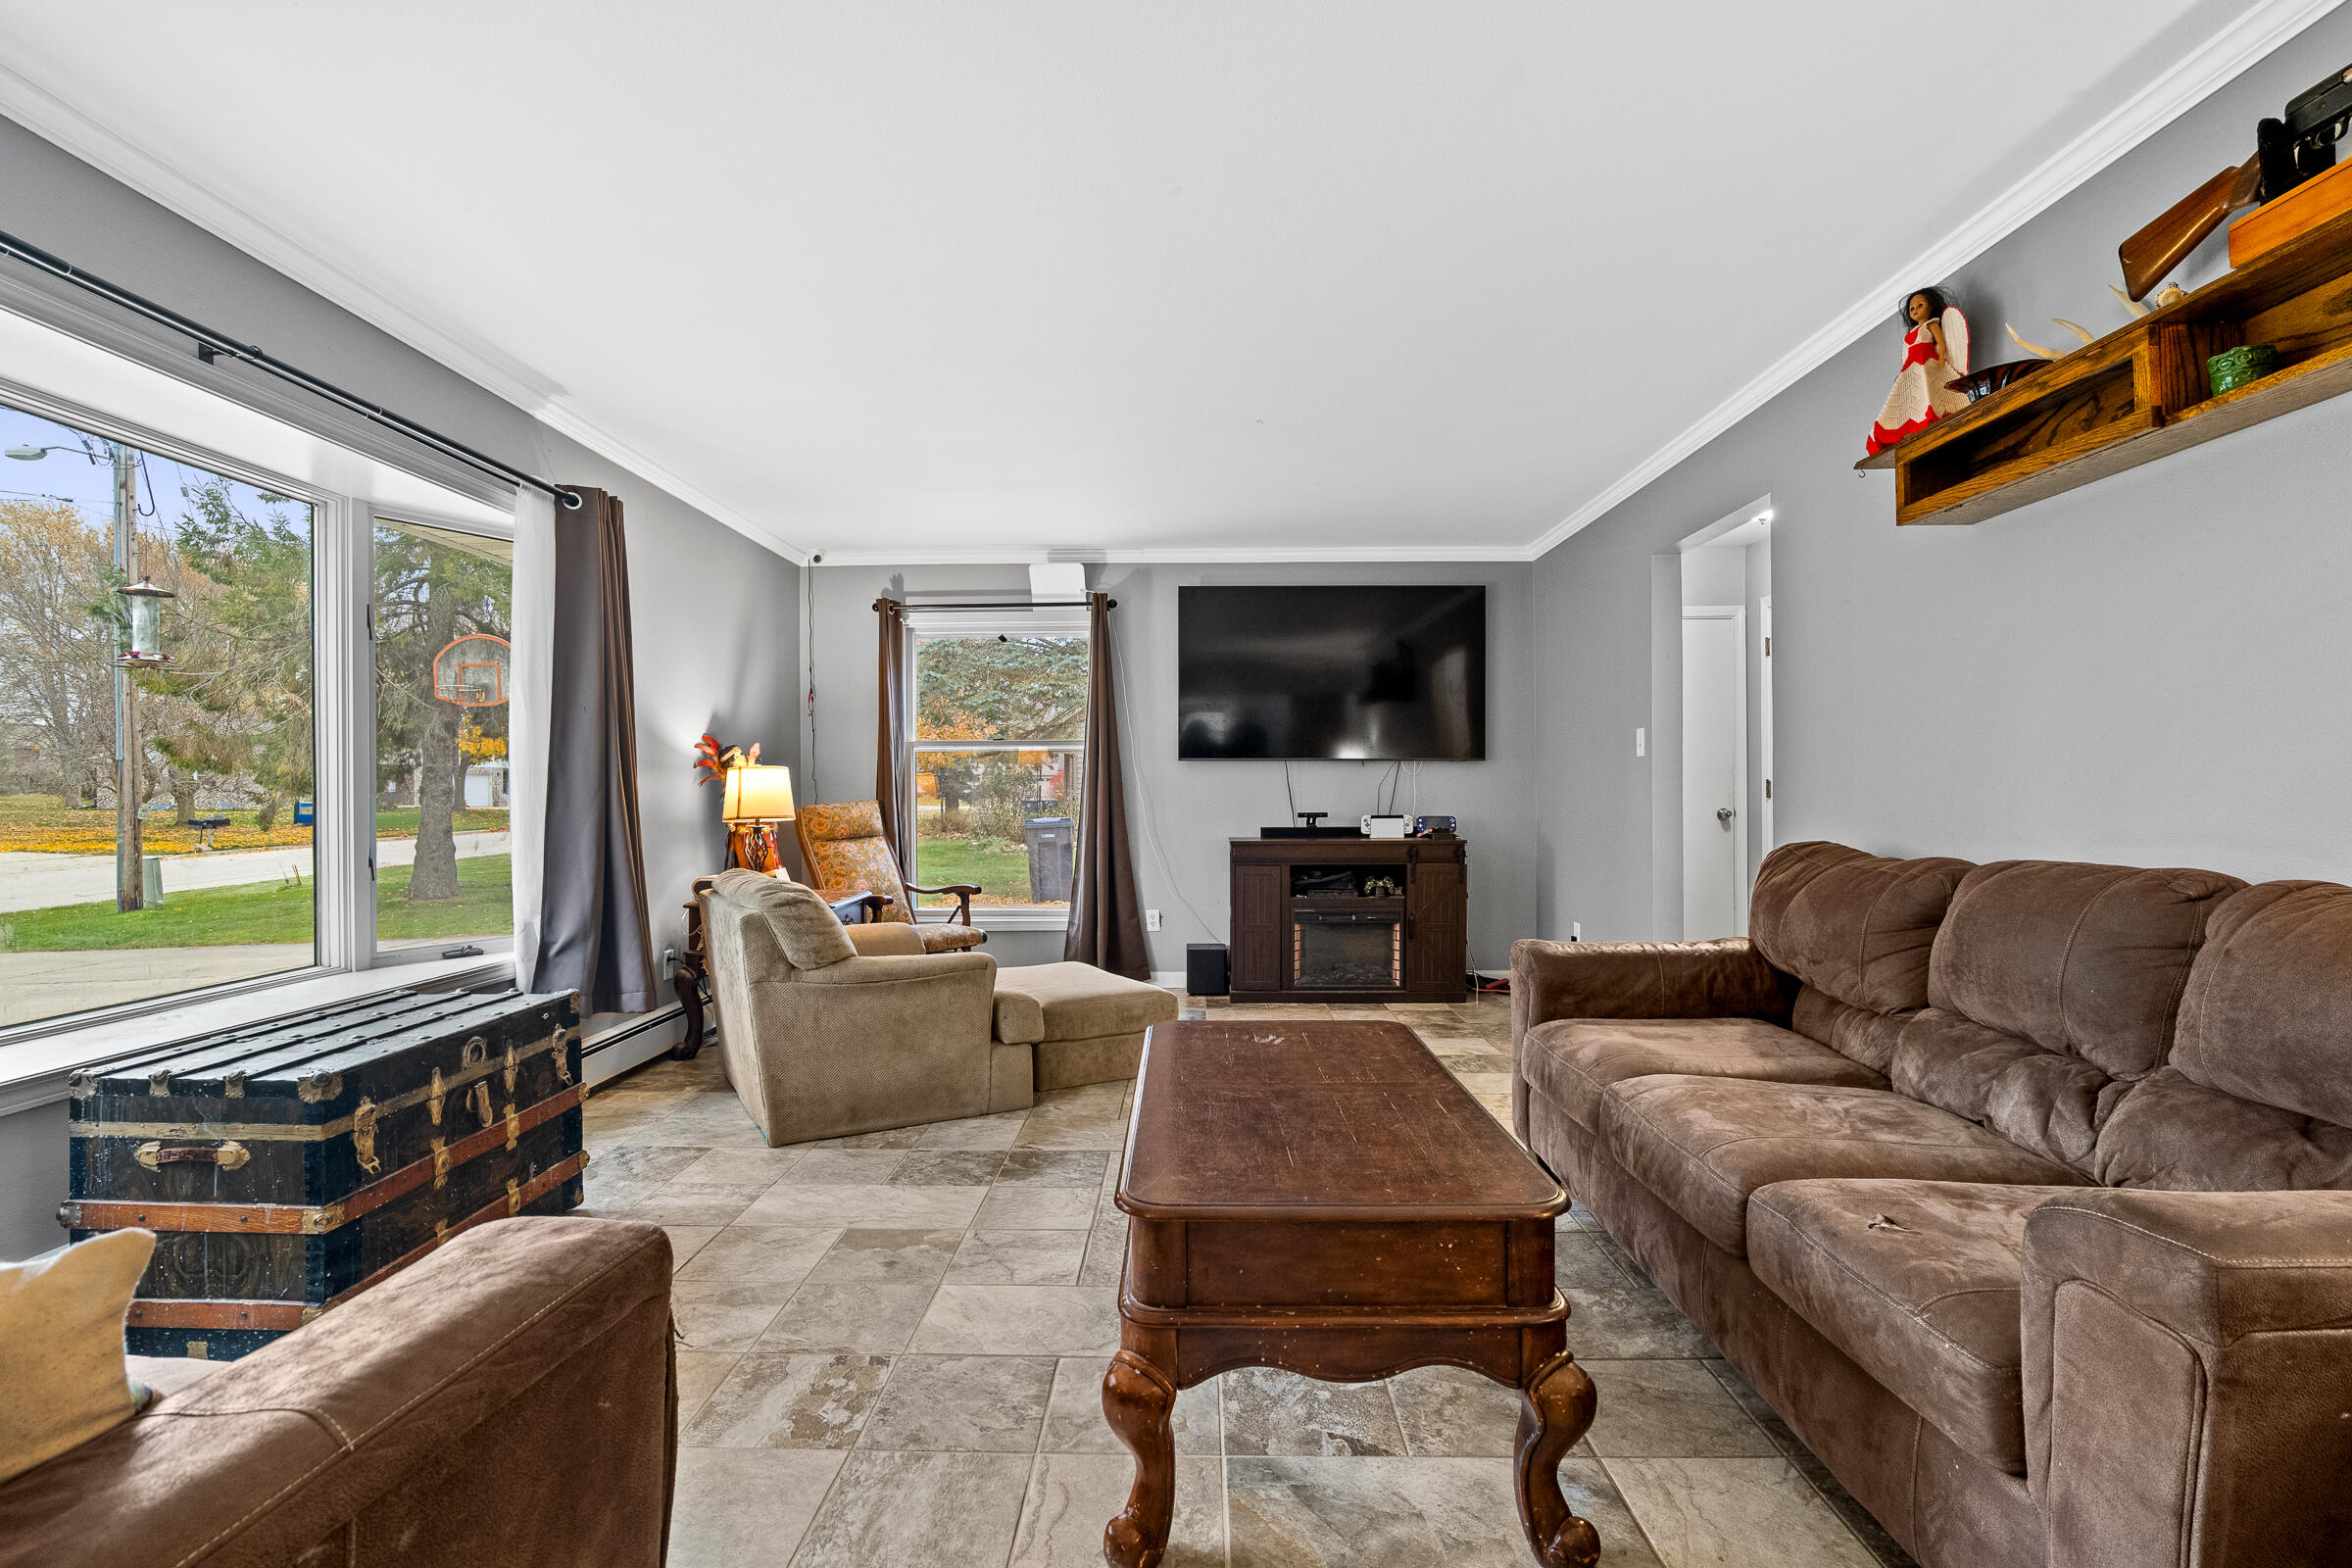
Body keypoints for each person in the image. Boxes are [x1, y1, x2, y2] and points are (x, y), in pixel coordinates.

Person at [1867, 288, 1970, 455]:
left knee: (1933, 390)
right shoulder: (1910, 334)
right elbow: (1907, 355)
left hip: (1928, 362)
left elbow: (1941, 343)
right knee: (1910, 396)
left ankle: (1932, 418)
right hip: (1912, 367)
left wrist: (1942, 357)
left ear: (1931, 307)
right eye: (1912, 309)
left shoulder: (1931, 324)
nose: (1915, 310)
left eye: (1920, 305)